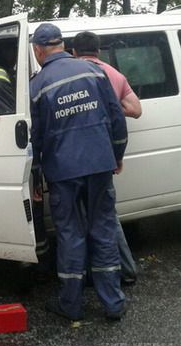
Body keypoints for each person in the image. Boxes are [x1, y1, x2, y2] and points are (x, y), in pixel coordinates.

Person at [30, 23, 128, 321]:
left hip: (63, 172)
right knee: (103, 229)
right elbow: (116, 119)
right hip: (100, 164)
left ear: (38, 50)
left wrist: (36, 177)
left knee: (71, 236)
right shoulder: (95, 72)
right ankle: (113, 304)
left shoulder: (36, 86)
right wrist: (117, 154)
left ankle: (71, 305)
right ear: (64, 46)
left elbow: (35, 139)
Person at [73, 31, 142, 285]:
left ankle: (90, 274)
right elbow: (135, 109)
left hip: (74, 156)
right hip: (105, 153)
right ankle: (125, 269)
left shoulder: (69, 71)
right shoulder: (113, 74)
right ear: (98, 51)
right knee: (106, 216)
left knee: (79, 218)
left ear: (73, 52)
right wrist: (112, 105)